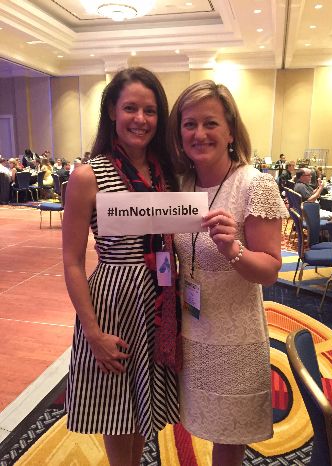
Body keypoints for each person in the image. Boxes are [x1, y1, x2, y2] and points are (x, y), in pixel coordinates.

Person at [63, 67, 180, 466]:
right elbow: (72, 261)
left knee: (140, 410)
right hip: (113, 302)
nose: (141, 120)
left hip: (158, 298)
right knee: (117, 409)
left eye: (150, 111)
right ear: (112, 110)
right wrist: (92, 332)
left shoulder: (165, 173)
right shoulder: (88, 175)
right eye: (130, 108)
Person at [167, 80, 288, 466]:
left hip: (234, 338)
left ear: (231, 130)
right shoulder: (180, 187)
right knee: (197, 422)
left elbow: (270, 270)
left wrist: (233, 249)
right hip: (191, 331)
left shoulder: (255, 185)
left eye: (210, 123)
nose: (199, 134)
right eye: (189, 124)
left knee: (229, 440)